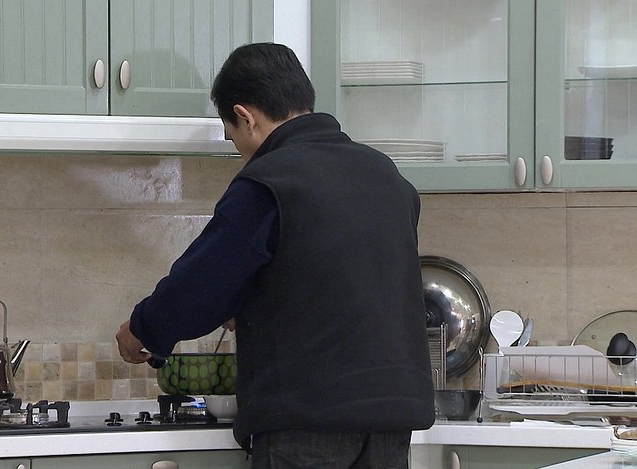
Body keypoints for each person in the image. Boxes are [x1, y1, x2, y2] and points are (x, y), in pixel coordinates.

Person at [116, 42, 434, 468]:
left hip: (306, 423)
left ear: (245, 116)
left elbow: (202, 285)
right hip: (392, 424)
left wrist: (142, 329)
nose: (239, 151)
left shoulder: (268, 182)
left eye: (232, 137)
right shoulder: (387, 177)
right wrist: (252, 303)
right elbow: (335, 281)